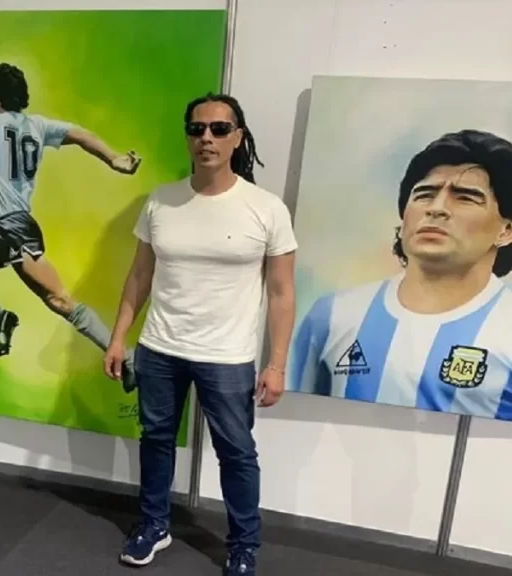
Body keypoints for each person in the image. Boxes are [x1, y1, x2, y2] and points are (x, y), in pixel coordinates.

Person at [288, 129, 512, 430]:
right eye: (424, 194)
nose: (437, 208)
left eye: (465, 198)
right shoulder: (331, 316)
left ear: (508, 230)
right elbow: (293, 421)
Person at [104, 93, 298, 575]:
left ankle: (244, 545)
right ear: (188, 137)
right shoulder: (160, 200)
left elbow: (281, 293)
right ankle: (154, 524)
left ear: (238, 137)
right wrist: (119, 337)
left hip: (227, 356)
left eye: (218, 129)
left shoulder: (266, 208)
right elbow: (139, 276)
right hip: (159, 348)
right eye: (197, 129)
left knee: (237, 453)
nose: (206, 138)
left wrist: (276, 364)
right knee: (156, 439)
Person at [0, 62, 143, 389]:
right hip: (3, 229)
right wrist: (113, 158)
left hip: (13, 230)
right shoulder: (38, 126)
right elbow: (81, 135)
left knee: (60, 301)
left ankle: (127, 358)